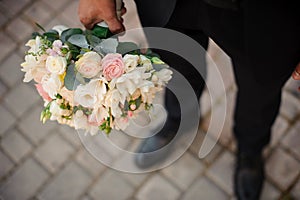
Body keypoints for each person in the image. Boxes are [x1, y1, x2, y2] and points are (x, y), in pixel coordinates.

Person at [78, 0, 300, 199]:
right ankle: (179, 119)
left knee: (259, 91)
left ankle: (250, 149)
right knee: (176, 69)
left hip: (265, 13)